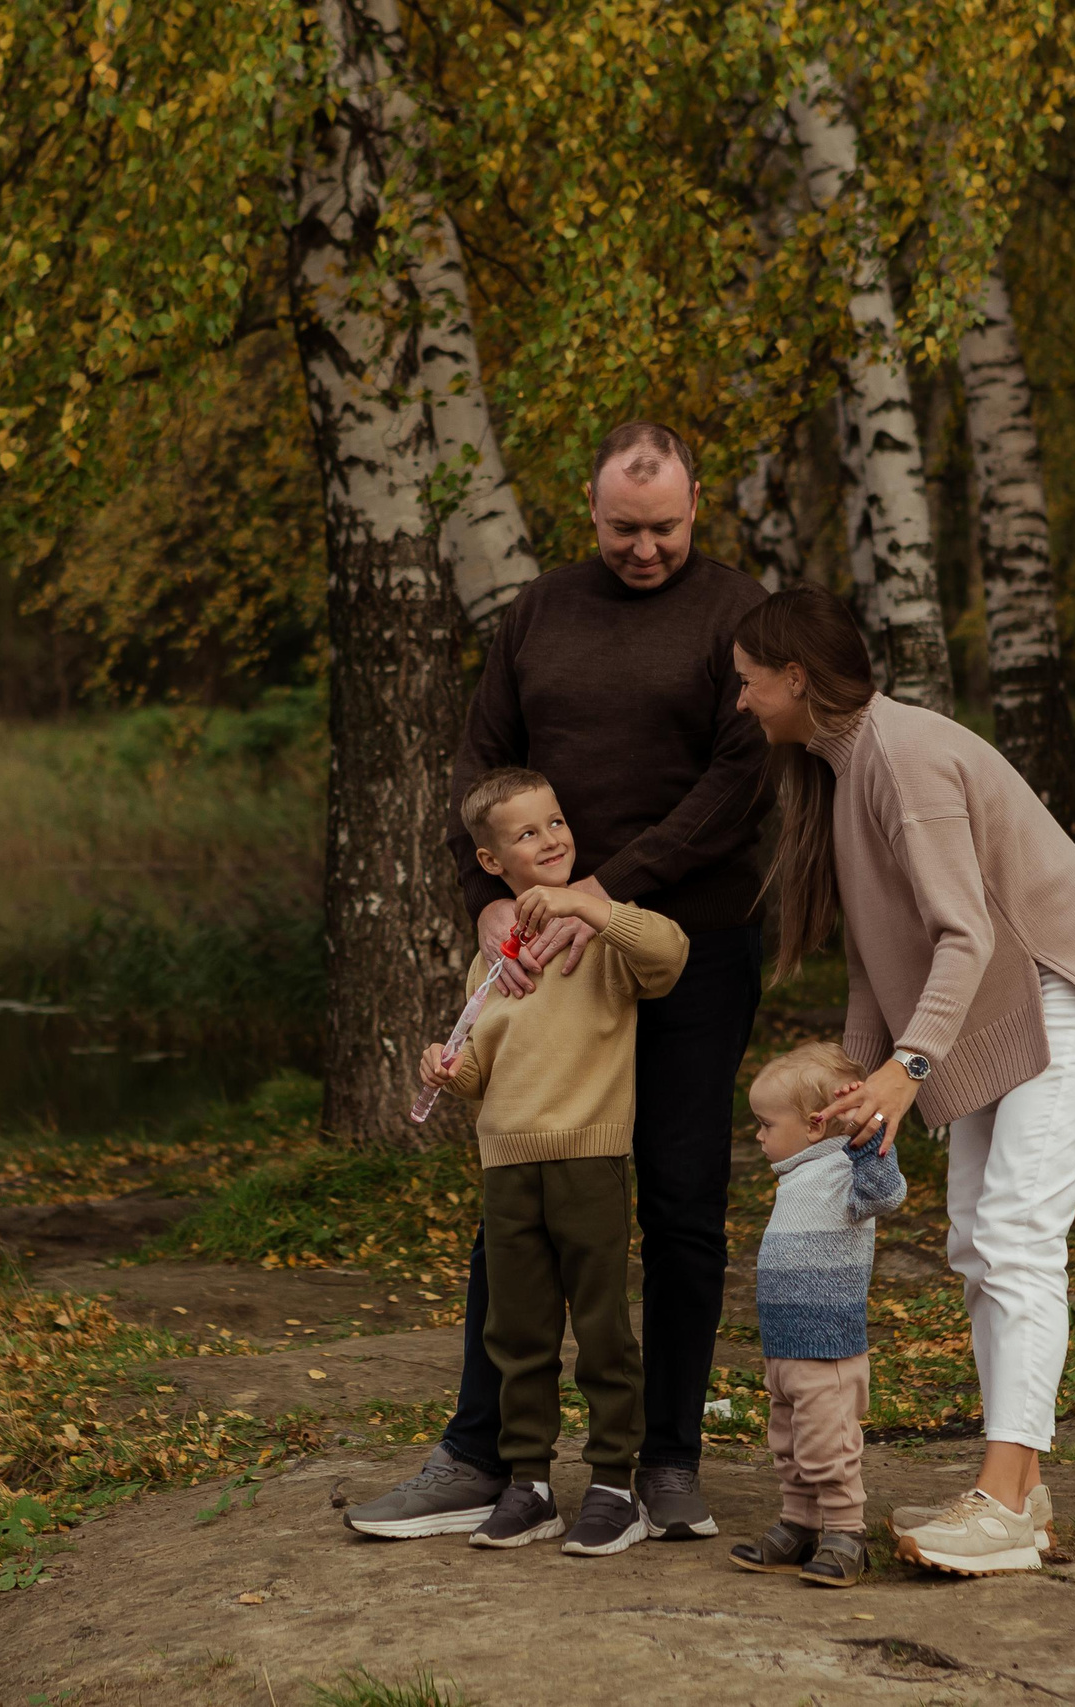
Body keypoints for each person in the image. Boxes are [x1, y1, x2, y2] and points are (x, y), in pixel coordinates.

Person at [345, 421, 768, 1544]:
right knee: (519, 1199)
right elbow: (480, 765)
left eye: (665, 529)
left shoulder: (736, 614)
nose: (643, 549)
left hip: (688, 944)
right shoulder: (538, 612)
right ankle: (486, 1456)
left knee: (680, 1204)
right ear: (590, 514)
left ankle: (666, 1460)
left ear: (697, 509)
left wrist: (604, 891)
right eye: (623, 529)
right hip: (541, 962)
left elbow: (740, 781)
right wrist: (479, 898)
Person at [729, 585, 1075, 1577]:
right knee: (974, 1236)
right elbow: (877, 958)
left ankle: (1004, 1498)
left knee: (1015, 1230)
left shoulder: (906, 759)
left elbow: (965, 931)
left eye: (748, 683)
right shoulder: (846, 772)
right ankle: (1019, 1491)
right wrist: (855, 1076)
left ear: (797, 679)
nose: (740, 702)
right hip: (999, 999)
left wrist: (906, 1067)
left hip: (1065, 981)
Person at [409, 766, 689, 1555]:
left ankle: (612, 1482)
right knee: (518, 1332)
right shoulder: (494, 961)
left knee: (602, 1327)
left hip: (589, 1156)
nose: (552, 838)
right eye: (528, 833)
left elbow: (669, 954)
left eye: (557, 821)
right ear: (492, 863)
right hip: (507, 1166)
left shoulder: (602, 935)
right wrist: (445, 1065)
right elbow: (479, 1071)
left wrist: (585, 905)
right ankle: (528, 1484)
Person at [728, 1041, 905, 1589]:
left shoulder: (844, 1171)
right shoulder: (798, 1175)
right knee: (789, 1444)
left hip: (827, 1350)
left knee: (829, 1446)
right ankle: (800, 1525)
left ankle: (846, 1532)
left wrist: (870, 1137)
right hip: (784, 1348)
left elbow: (888, 1193)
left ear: (811, 1126)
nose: (757, 1135)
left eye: (764, 1123)